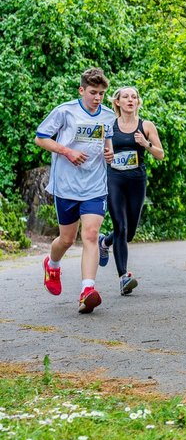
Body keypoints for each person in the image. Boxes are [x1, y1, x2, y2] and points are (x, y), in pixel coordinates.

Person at [35, 67, 115, 314]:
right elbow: (40, 137)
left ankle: (87, 290)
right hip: (67, 186)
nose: (97, 97)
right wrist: (67, 151)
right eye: (93, 92)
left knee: (90, 235)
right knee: (67, 239)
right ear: (82, 90)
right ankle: (53, 263)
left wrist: (110, 153)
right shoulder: (65, 111)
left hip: (94, 186)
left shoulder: (108, 116)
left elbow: (107, 144)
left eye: (101, 93)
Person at [96, 86, 165, 295]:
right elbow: (97, 151)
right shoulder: (108, 125)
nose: (130, 100)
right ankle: (124, 277)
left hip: (136, 180)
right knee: (121, 226)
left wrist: (146, 144)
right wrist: (105, 155)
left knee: (129, 232)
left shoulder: (146, 125)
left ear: (138, 102)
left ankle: (105, 241)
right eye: (125, 97)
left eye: (134, 97)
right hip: (114, 179)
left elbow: (160, 154)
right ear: (117, 102)